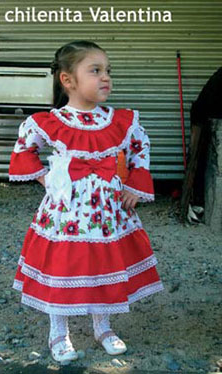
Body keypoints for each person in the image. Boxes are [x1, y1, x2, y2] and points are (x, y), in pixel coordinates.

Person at [9, 40, 164, 364]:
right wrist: (47, 178)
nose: (105, 77)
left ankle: (103, 326)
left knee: (105, 264)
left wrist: (136, 184)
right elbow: (24, 149)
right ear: (68, 80)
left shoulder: (120, 121)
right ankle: (58, 331)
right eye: (95, 71)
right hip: (67, 213)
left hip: (107, 213)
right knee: (64, 266)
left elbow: (141, 147)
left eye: (108, 71)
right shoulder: (48, 122)